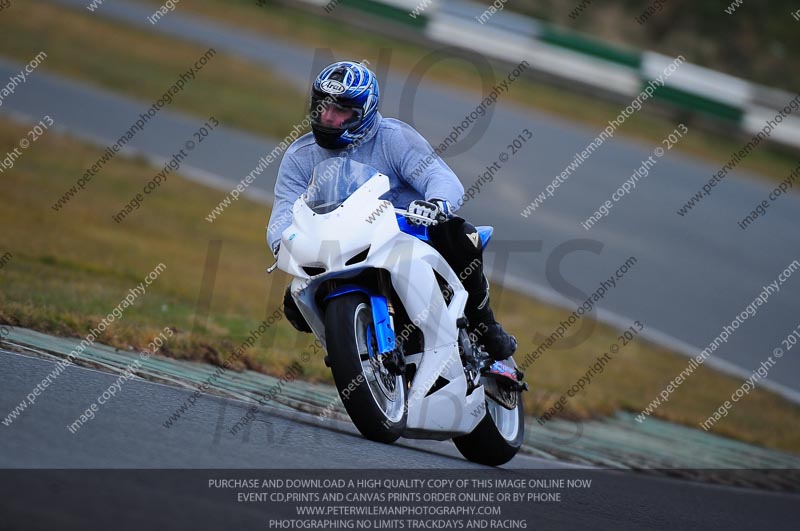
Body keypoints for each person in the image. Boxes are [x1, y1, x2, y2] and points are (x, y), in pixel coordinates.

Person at [266, 60, 516, 361]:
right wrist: (282, 242)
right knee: (295, 303)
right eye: (323, 107)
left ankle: (484, 325)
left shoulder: (394, 137)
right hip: (339, 245)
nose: (328, 117)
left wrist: (437, 204)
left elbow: (441, 178)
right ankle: (348, 348)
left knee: (462, 236)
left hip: (406, 232)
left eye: (341, 110)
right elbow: (283, 209)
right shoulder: (299, 156)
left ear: (365, 112)